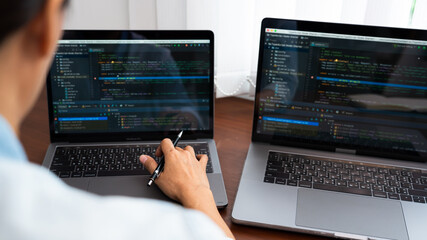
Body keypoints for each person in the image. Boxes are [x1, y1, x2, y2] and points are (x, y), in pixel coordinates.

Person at [0, 1, 234, 239]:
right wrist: (195, 190)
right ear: (48, 21)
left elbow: (187, 111)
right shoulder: (163, 229)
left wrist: (185, 117)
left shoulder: (156, 55)